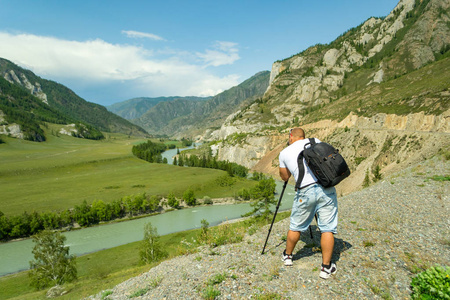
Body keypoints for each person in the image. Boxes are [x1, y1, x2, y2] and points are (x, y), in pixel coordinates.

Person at [278, 127, 338, 279]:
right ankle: (326, 268)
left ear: (291, 136)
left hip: (305, 191)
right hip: (326, 187)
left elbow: (284, 177)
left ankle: (288, 256)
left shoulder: (285, 152)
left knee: (296, 226)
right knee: (327, 228)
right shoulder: (316, 141)